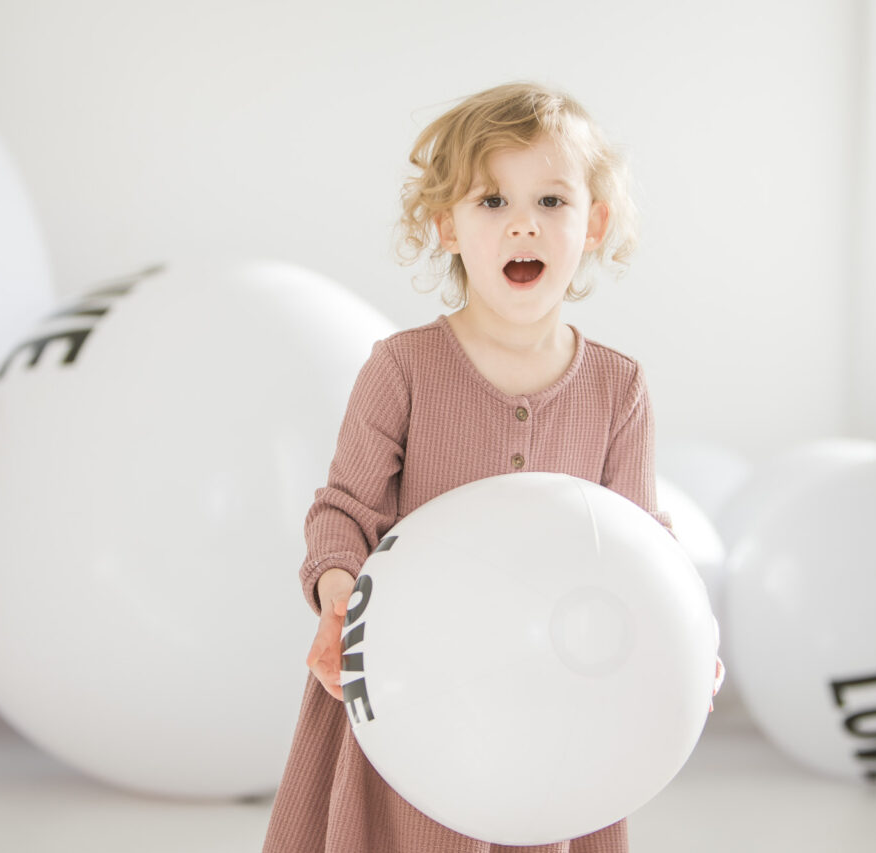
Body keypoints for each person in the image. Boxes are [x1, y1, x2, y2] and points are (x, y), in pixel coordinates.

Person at [263, 81, 723, 853]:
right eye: (491, 202)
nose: (522, 224)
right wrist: (340, 598)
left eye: (551, 201)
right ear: (445, 224)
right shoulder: (402, 368)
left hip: (556, 696)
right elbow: (344, 509)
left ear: (595, 222)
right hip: (416, 689)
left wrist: (686, 629)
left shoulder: (619, 387)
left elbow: (641, 541)